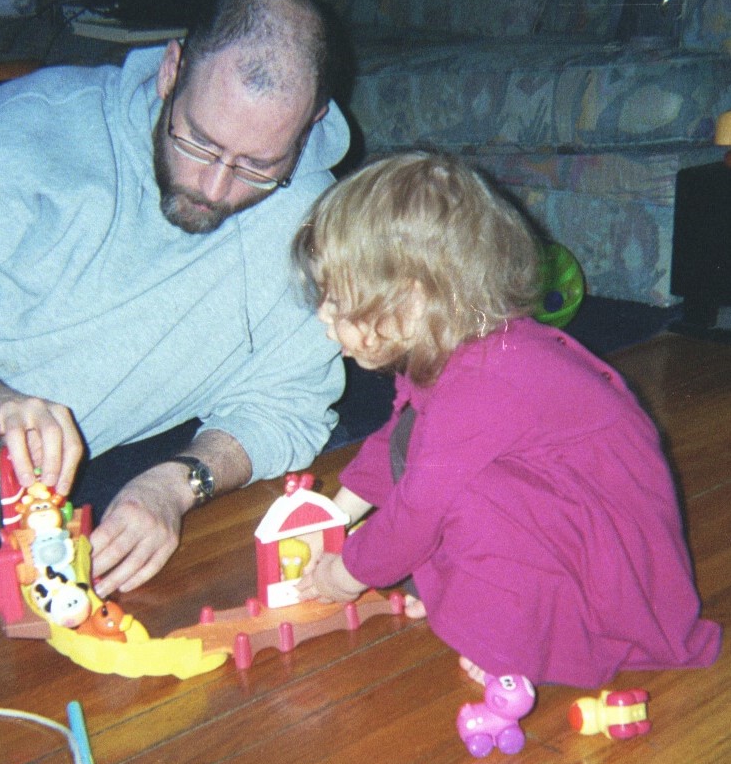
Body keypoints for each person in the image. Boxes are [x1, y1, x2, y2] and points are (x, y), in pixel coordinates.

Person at [0, 0, 351, 598]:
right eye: (199, 142)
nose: (214, 188)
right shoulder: (29, 132)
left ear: (311, 124)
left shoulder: (312, 227)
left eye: (257, 166)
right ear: (171, 70)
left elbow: (288, 406)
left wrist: (175, 484)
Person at [292, 152, 722, 688]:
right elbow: (397, 437)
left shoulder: (485, 381)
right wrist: (330, 518)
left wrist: (346, 572)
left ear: (413, 299)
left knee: (464, 503)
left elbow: (416, 513)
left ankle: (540, 637)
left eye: (339, 301)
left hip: (611, 562)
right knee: (428, 460)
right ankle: (477, 594)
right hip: (572, 508)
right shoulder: (458, 345)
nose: (323, 317)